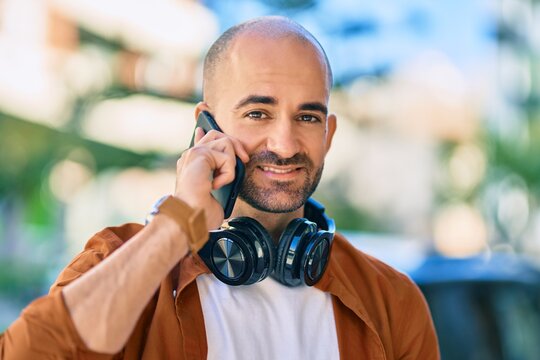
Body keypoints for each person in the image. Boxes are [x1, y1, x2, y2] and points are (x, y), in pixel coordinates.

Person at [0, 16, 439, 359]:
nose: (284, 144)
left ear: (329, 135)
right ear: (205, 128)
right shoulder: (118, 262)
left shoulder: (391, 301)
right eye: (257, 114)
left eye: (308, 117)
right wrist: (175, 227)